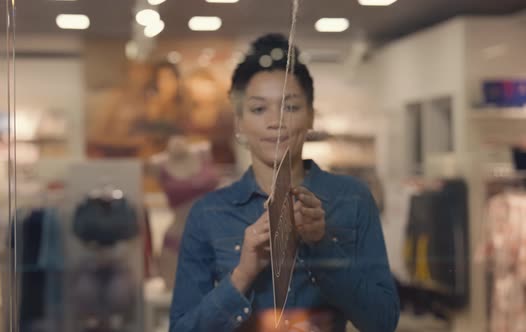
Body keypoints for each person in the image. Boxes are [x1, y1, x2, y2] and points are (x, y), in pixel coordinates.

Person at [169, 34, 399, 332]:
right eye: (258, 109)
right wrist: (243, 274)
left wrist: (321, 244)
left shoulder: (351, 199)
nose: (275, 121)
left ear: (311, 117)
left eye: (289, 107)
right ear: (239, 123)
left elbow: (383, 322)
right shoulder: (209, 213)